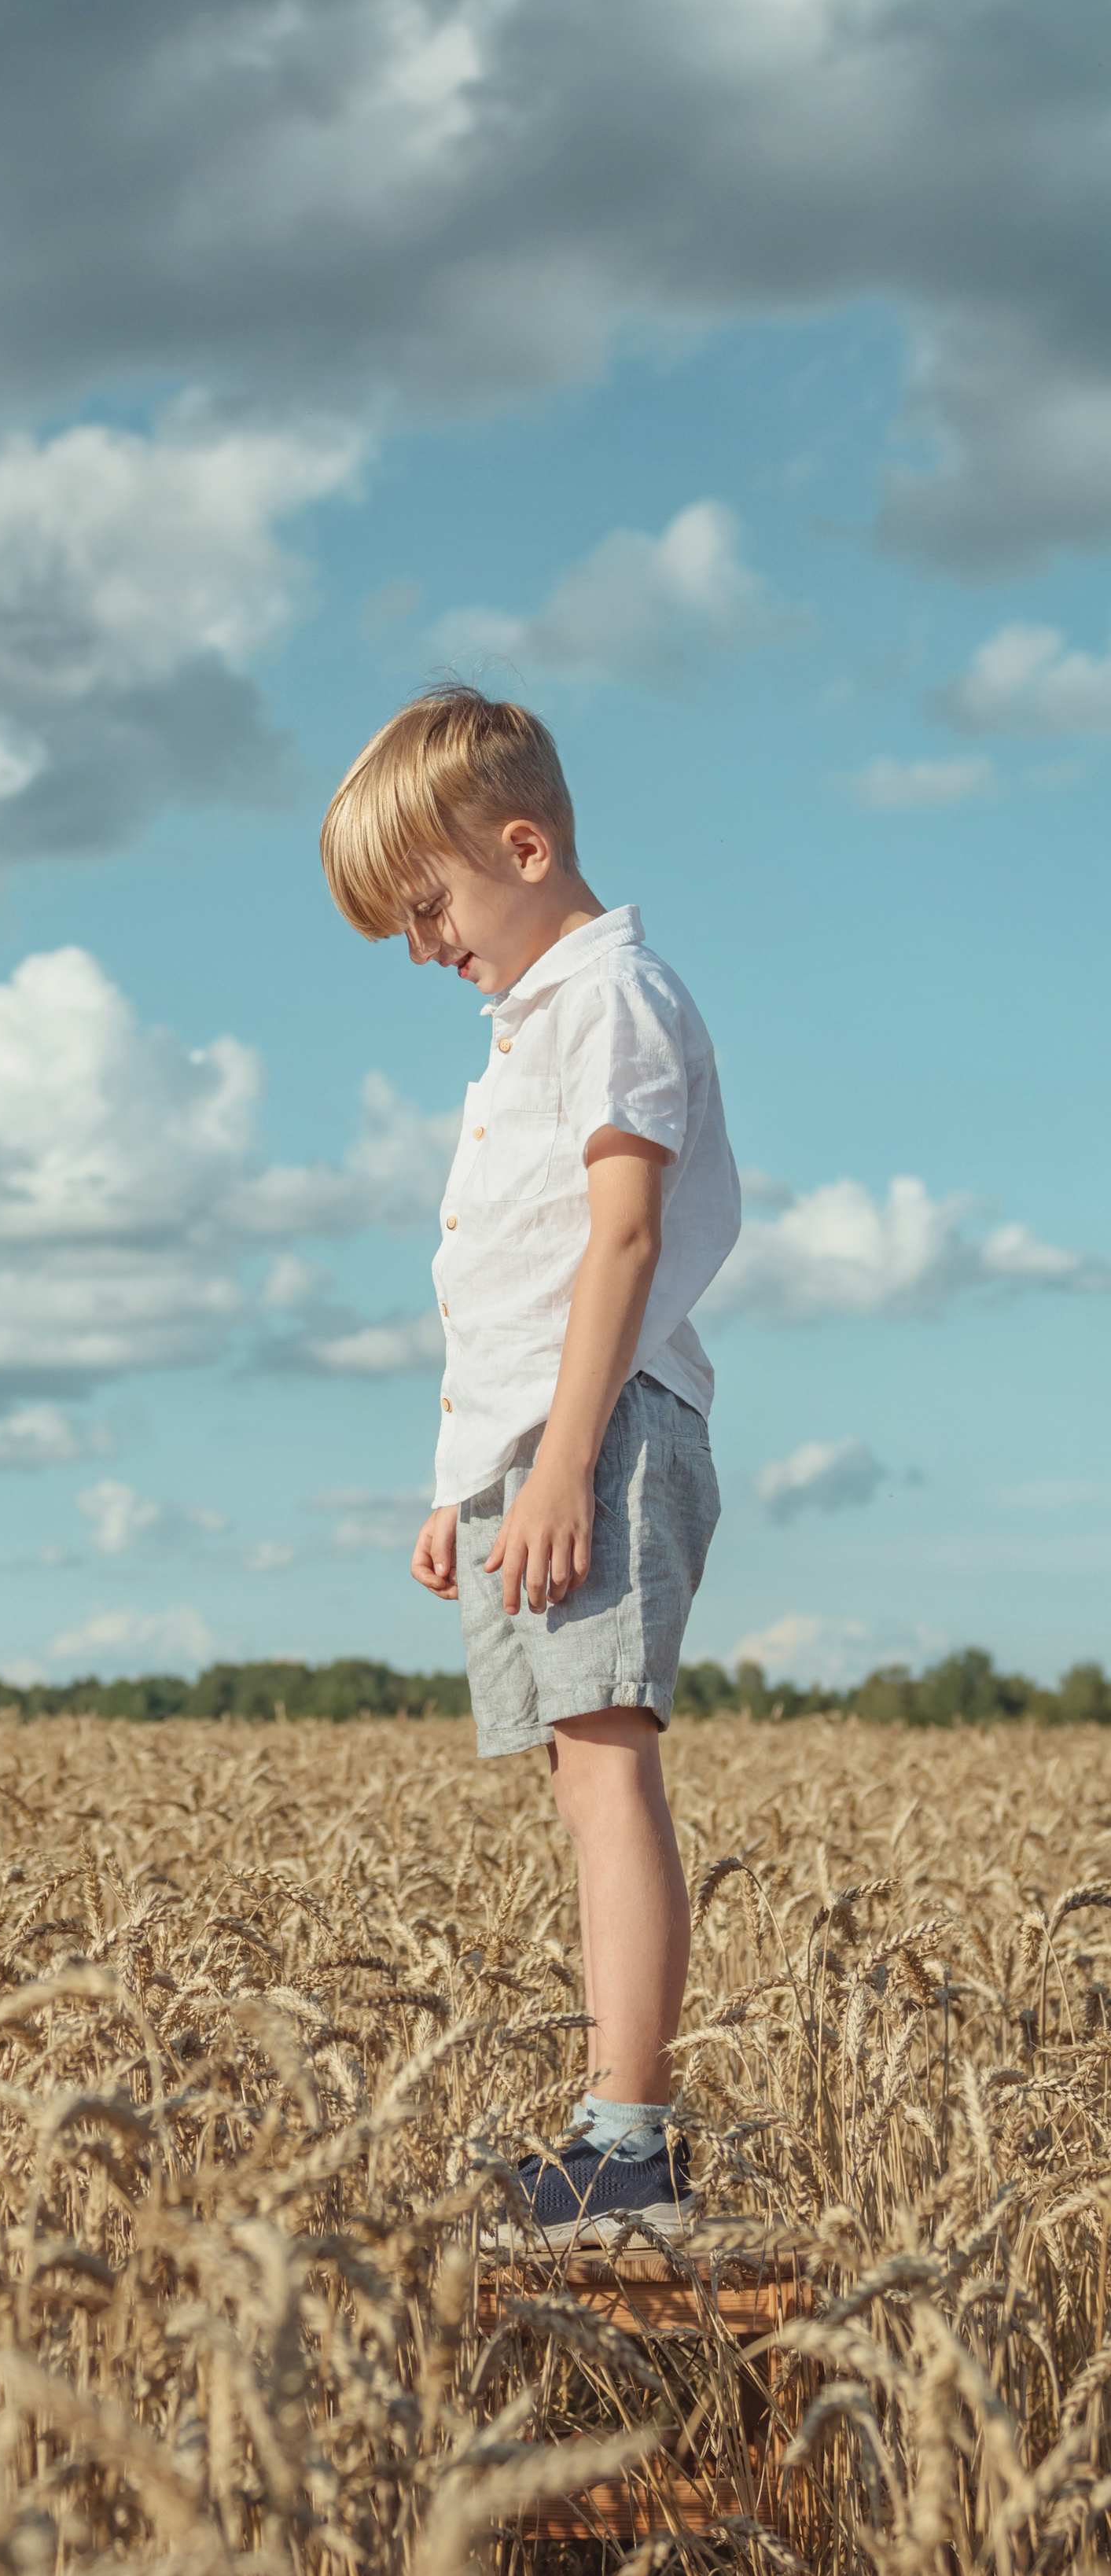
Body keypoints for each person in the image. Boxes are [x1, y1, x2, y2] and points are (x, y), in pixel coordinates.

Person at [319, 685, 741, 2248]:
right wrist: (465, 1482)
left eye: (426, 905)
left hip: (603, 1430)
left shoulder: (610, 996)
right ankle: (606, 2131)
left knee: (607, 1762)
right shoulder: (530, 1028)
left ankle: (630, 2150)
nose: (420, 946)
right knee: (580, 1775)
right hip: (543, 1443)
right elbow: (509, 1275)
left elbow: (620, 1240)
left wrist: (561, 1468)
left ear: (521, 847)